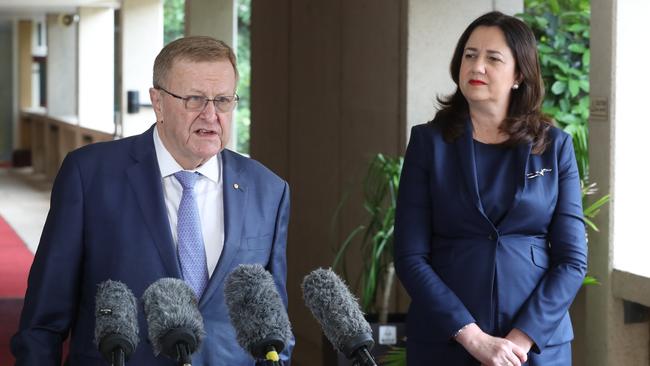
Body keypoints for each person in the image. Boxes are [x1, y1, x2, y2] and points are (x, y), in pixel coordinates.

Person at [11, 36, 293, 365]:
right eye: (194, 99)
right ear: (157, 101)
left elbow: (274, 325)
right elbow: (43, 322)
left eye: (223, 100)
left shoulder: (268, 189)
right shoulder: (89, 176)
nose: (211, 114)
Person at [394, 11, 587, 366]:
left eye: (492, 58)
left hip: (536, 346)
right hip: (446, 341)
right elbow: (410, 256)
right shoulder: (428, 143)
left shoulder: (555, 146)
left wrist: (520, 340)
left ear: (520, 75)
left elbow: (572, 260)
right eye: (469, 55)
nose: (477, 66)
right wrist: (474, 338)